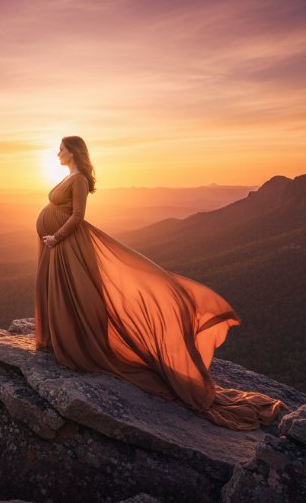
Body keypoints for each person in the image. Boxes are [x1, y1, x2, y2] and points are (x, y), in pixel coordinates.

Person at [34, 136, 288, 430]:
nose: (57, 153)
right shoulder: (70, 176)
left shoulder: (78, 180)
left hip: (67, 245)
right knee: (63, 294)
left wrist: (56, 237)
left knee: (75, 295)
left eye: (62, 149)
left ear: (73, 152)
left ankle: (79, 344)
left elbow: (78, 216)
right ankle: (60, 338)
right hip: (59, 245)